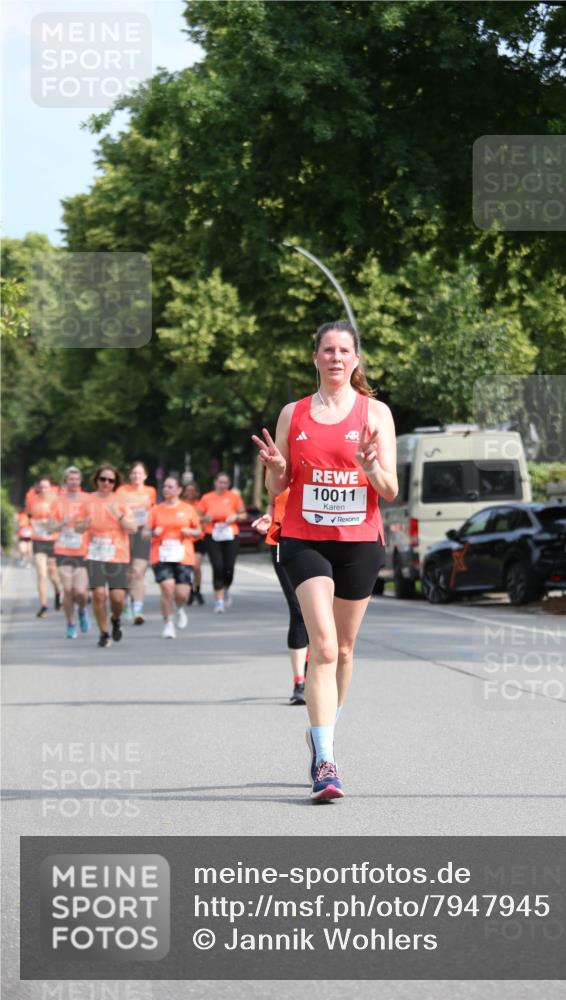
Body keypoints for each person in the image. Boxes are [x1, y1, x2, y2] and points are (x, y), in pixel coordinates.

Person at [252, 320, 397, 802]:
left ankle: (321, 735)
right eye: (327, 350)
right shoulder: (292, 414)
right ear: (315, 358)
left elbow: (390, 491)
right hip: (304, 538)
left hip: (359, 540)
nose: (336, 357)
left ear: (355, 360)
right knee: (325, 647)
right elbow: (279, 486)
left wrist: (372, 466)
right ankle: (327, 762)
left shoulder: (375, 413)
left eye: (344, 351)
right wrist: (275, 472)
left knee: (347, 649)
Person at [252, 490, 309, 705]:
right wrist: (269, 516)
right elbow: (274, 497)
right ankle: (300, 683)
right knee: (298, 609)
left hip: (317, 542)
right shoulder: (277, 461)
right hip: (283, 541)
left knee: (320, 611)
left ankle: (312, 666)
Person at [77, 465, 136, 648]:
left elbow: (132, 528)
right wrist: (84, 525)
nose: (106, 483)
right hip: (95, 553)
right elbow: (77, 528)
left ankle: (116, 619)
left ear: (115, 483)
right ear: (97, 480)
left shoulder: (121, 500)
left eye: (110, 480)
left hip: (117, 554)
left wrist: (118, 515)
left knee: (117, 598)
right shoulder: (87, 501)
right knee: (99, 594)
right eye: (103, 479)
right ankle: (104, 632)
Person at [144, 475, 201, 638]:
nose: (166, 489)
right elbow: (144, 532)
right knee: (167, 588)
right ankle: (168, 624)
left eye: (170, 487)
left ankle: (180, 608)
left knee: (182, 594)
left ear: (179, 490)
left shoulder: (187, 509)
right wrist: (153, 532)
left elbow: (198, 531)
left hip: (183, 555)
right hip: (161, 554)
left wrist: (190, 532)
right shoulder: (156, 510)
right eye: (165, 486)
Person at [51, 466, 91, 638]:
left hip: (83, 550)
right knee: (67, 590)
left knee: (80, 592)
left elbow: (93, 524)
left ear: (80, 481)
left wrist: (82, 526)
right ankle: (70, 623)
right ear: (65, 481)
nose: (73, 482)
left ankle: (82, 610)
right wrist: (63, 523)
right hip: (63, 550)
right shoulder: (58, 501)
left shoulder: (88, 500)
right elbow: (49, 527)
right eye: (70, 479)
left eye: (76, 479)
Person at [199, 472, 246, 613]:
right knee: (218, 566)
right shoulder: (207, 498)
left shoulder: (234, 497)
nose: (223, 485)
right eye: (220, 482)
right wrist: (204, 518)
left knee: (229, 567)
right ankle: (218, 601)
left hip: (230, 534)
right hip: (212, 534)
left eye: (225, 483)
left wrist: (236, 516)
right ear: (215, 482)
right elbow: (197, 515)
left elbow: (243, 515)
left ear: (229, 484)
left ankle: (226, 587)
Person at [117, 462, 156, 625]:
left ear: (145, 476)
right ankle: (126, 601)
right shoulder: (122, 491)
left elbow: (153, 511)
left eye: (139, 473)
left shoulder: (150, 491)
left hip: (142, 534)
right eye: (133, 473)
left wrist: (149, 527)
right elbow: (116, 510)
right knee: (127, 572)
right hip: (125, 534)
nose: (136, 476)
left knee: (139, 571)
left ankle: (138, 609)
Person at [26, 476, 62, 617]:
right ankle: (44, 606)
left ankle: (58, 590)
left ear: (50, 487)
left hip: (52, 540)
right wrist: (34, 523)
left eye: (46, 487)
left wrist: (50, 525)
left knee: (53, 573)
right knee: (41, 574)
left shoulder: (56, 500)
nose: (43, 490)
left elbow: (61, 520)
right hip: (38, 540)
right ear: (37, 487)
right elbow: (29, 516)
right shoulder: (32, 500)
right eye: (40, 487)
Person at [182, 482, 206, 606]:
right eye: (188, 490)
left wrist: (200, 519)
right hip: (184, 540)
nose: (190, 492)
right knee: (187, 567)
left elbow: (206, 517)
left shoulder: (200, 503)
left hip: (198, 539)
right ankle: (190, 590)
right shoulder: (180, 504)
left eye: (193, 490)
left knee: (196, 567)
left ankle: (197, 589)